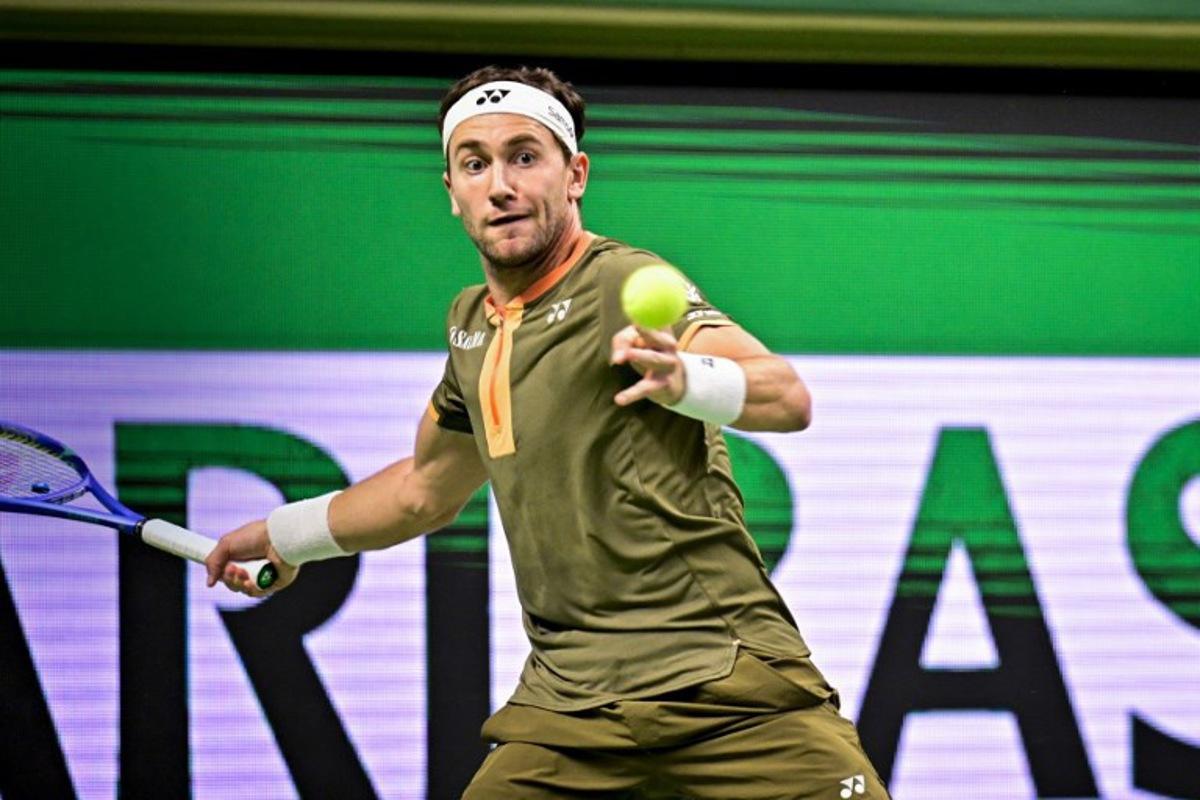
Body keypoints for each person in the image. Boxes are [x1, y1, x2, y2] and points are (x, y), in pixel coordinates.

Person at [206, 65, 890, 800]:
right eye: (475, 163)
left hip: (727, 691)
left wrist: (687, 380)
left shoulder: (619, 283)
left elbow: (786, 396)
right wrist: (289, 534)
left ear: (576, 175)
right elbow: (423, 490)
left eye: (524, 156)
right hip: (568, 716)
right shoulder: (472, 326)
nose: (499, 184)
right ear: (451, 191)